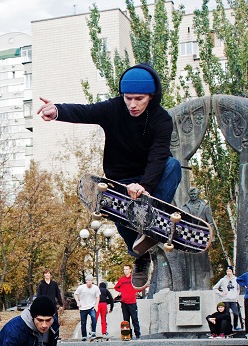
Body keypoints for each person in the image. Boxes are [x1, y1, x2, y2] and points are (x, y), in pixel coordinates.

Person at [38, 63, 181, 289]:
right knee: (110, 198)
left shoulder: (161, 120)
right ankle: (140, 255)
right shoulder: (114, 109)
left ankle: (154, 216)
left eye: (139, 99)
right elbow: (86, 111)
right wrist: (57, 112)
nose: (132, 105)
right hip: (120, 179)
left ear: (151, 97)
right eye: (128, 98)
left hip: (148, 179)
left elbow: (159, 155)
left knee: (173, 165)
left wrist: (144, 187)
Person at [114, 264, 141, 339]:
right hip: (124, 302)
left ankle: (138, 334)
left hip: (132, 302)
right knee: (126, 320)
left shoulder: (133, 278)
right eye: (124, 269)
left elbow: (140, 286)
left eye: (126, 269)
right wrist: (121, 291)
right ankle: (128, 335)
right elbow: (116, 287)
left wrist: (137, 291)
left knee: (134, 319)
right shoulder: (121, 279)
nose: (125, 271)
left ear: (130, 270)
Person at [36, 269, 64, 339]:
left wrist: (61, 304)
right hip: (44, 307)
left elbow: (58, 294)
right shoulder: (41, 285)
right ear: (44, 275)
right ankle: (45, 337)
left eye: (48, 273)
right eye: (46, 273)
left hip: (53, 306)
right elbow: (39, 296)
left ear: (50, 275)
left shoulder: (54, 284)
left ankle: (56, 336)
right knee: (45, 322)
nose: (47, 275)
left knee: (55, 321)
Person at [213, 266, 243, 330]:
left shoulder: (236, 279)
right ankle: (229, 327)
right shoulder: (223, 280)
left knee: (236, 313)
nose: (228, 273)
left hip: (233, 300)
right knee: (227, 314)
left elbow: (238, 289)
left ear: (232, 272)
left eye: (230, 271)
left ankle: (236, 326)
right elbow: (215, 288)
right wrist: (221, 293)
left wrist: (236, 297)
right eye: (227, 271)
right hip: (225, 299)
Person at [74, 275, 100, 340]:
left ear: (92, 281)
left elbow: (98, 296)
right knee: (83, 322)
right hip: (83, 307)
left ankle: (93, 332)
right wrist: (78, 302)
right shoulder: (81, 287)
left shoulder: (95, 288)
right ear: (86, 281)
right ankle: (84, 336)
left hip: (92, 306)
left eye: (91, 281)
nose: (89, 283)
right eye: (88, 281)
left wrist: (96, 305)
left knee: (94, 318)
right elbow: (75, 294)